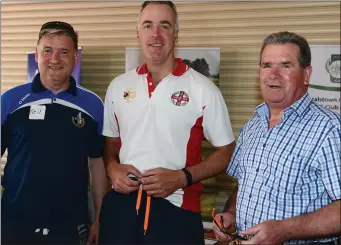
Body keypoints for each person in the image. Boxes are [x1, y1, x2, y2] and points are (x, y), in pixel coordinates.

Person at [99, 1, 236, 244]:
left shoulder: (203, 89)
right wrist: (112, 167)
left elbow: (226, 151)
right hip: (121, 209)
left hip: (177, 212)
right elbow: (110, 142)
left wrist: (182, 177)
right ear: (138, 33)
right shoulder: (118, 86)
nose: (156, 34)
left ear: (175, 34)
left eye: (164, 25)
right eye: (148, 25)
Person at [213, 31, 341, 245]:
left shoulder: (328, 129)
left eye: (285, 65)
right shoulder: (253, 125)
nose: (273, 74)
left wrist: (283, 230)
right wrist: (232, 214)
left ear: (306, 74)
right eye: (266, 65)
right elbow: (246, 184)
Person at [1, 21, 107, 245]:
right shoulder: (9, 101)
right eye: (48, 50)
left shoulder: (94, 105)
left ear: (75, 58)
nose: (55, 59)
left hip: (71, 224)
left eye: (64, 52)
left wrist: (99, 218)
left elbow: (97, 165)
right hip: (15, 222)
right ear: (37, 53)